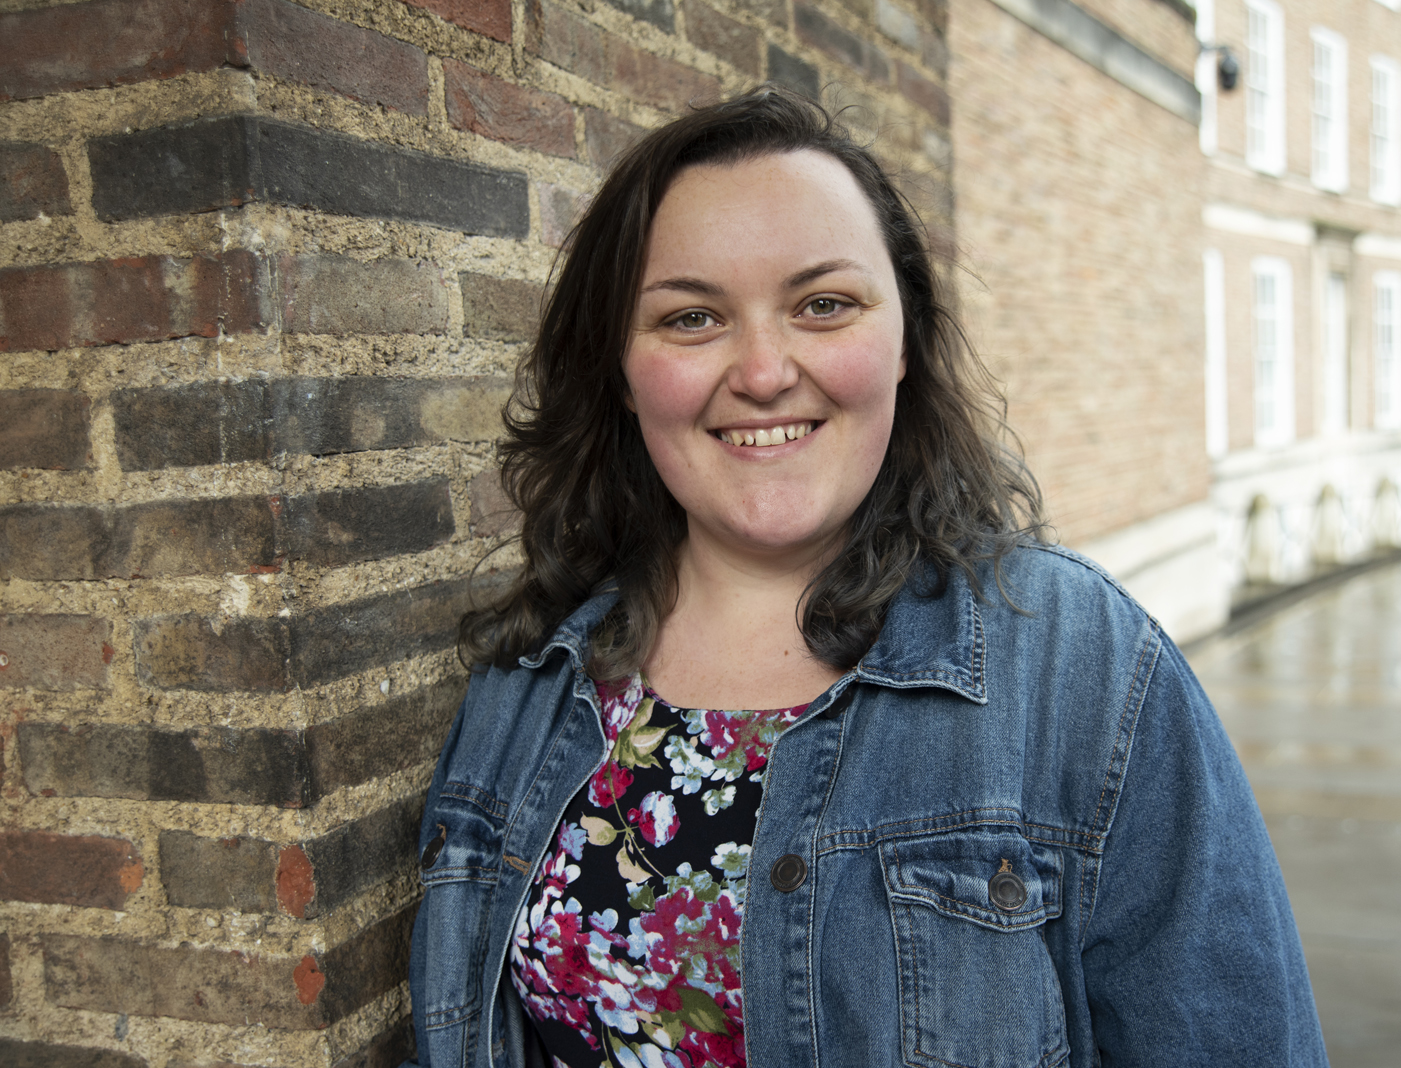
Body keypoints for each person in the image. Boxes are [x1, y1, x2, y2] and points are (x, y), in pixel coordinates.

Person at [405, 87, 1327, 1068]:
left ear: (904, 340)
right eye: (692, 317)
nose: (764, 371)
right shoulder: (531, 684)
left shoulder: (1083, 667)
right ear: (621, 374)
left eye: (823, 305)